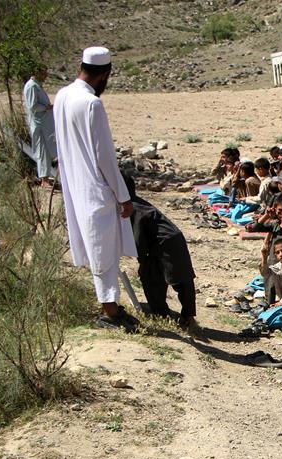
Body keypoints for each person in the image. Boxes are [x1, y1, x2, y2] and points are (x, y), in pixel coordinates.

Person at [54, 46, 139, 332]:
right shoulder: (92, 104)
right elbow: (105, 158)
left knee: (98, 249)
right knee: (103, 251)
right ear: (104, 75)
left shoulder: (63, 95)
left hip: (75, 184)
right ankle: (109, 312)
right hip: (95, 188)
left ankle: (111, 306)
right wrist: (123, 196)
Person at [124, 174, 196, 326]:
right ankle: (183, 315)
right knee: (180, 278)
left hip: (164, 242)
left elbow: (139, 240)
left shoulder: (132, 208)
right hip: (170, 239)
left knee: (157, 277)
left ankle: (164, 314)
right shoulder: (136, 203)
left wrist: (142, 260)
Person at [23, 64, 57, 186]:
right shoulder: (32, 86)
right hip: (39, 124)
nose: (46, 75)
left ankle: (46, 177)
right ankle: (44, 179)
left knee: (47, 150)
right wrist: (47, 107)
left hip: (45, 124)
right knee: (42, 150)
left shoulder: (37, 86)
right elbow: (33, 106)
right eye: (43, 73)